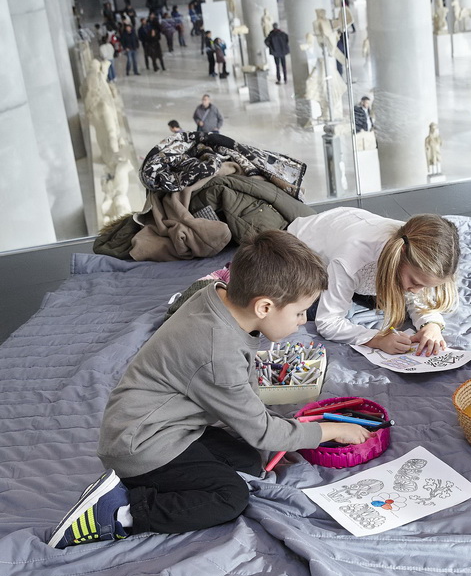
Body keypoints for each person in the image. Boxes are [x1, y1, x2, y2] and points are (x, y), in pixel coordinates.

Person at [47, 231, 370, 549]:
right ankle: (121, 512)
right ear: (264, 307)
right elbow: (262, 431)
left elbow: (244, 396)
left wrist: (278, 433)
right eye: (300, 312)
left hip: (167, 426)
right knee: (229, 498)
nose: (301, 322)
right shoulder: (217, 353)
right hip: (140, 446)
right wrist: (325, 430)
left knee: (248, 461)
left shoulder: (216, 294)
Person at [287, 208, 459, 357]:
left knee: (390, 298)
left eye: (426, 286)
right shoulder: (351, 259)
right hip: (297, 257)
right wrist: (376, 339)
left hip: (345, 229)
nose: (416, 291)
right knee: (316, 310)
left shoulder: (414, 244)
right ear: (400, 256)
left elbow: (418, 298)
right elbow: (328, 322)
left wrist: (430, 325)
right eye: (414, 282)